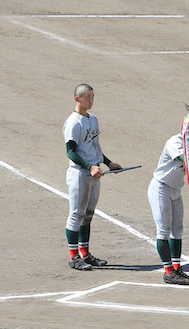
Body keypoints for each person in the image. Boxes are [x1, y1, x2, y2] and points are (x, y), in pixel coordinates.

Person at [63, 83, 122, 271]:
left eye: (93, 97)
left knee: (88, 215)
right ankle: (74, 257)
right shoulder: (73, 123)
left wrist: (108, 163)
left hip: (95, 173)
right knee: (76, 215)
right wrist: (90, 166)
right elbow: (70, 152)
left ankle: (85, 254)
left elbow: (94, 147)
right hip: (80, 174)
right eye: (88, 97)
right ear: (77, 99)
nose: (91, 100)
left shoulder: (93, 119)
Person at [147, 130, 189, 285]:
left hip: (175, 189)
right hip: (160, 188)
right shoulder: (175, 141)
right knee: (163, 229)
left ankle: (177, 268)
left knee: (178, 228)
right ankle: (169, 272)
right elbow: (187, 160)